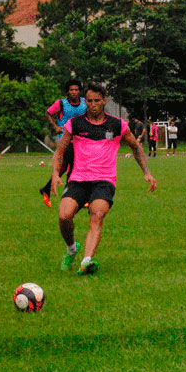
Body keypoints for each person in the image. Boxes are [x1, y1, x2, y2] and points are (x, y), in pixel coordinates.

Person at [51, 83, 156, 275]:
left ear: (104, 100)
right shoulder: (75, 124)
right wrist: (56, 174)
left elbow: (136, 147)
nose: (93, 105)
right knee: (64, 216)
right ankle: (72, 249)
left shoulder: (117, 125)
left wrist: (146, 172)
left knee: (96, 215)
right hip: (78, 179)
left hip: (104, 180)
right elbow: (60, 150)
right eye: (89, 101)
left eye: (97, 101)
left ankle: (86, 260)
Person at [38, 79, 86, 207]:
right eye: (71, 90)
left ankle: (46, 189)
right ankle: (76, 196)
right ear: (67, 92)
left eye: (76, 90)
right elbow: (48, 113)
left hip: (81, 140)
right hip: (65, 140)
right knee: (76, 166)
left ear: (79, 91)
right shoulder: (61, 103)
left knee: (65, 167)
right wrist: (55, 127)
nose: (74, 92)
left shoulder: (84, 103)